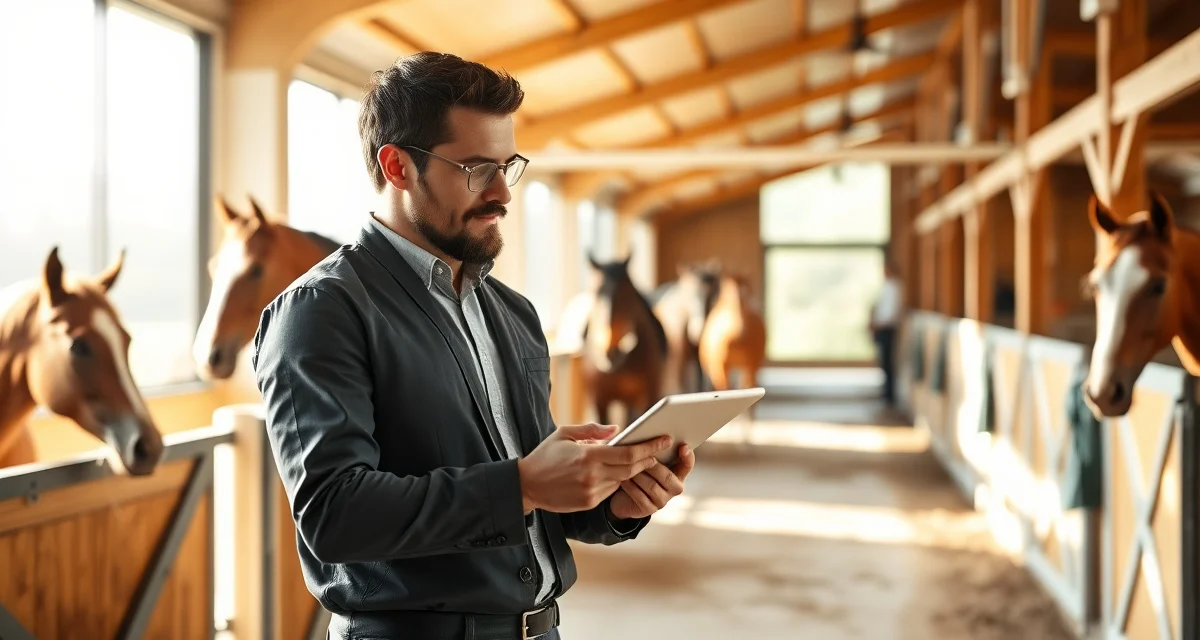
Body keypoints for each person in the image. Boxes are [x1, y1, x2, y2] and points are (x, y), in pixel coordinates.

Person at [251, 52, 696, 640]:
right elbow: (333, 514)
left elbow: (531, 500)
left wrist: (611, 504)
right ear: (398, 166)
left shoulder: (512, 312)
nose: (502, 193)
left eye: (507, 166)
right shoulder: (320, 311)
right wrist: (523, 484)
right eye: (476, 169)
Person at [868, 258, 903, 406]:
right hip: (881, 327)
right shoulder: (886, 287)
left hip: (887, 328)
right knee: (883, 360)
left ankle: (889, 394)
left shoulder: (895, 287)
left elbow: (892, 313)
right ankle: (886, 391)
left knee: (888, 360)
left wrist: (879, 324)